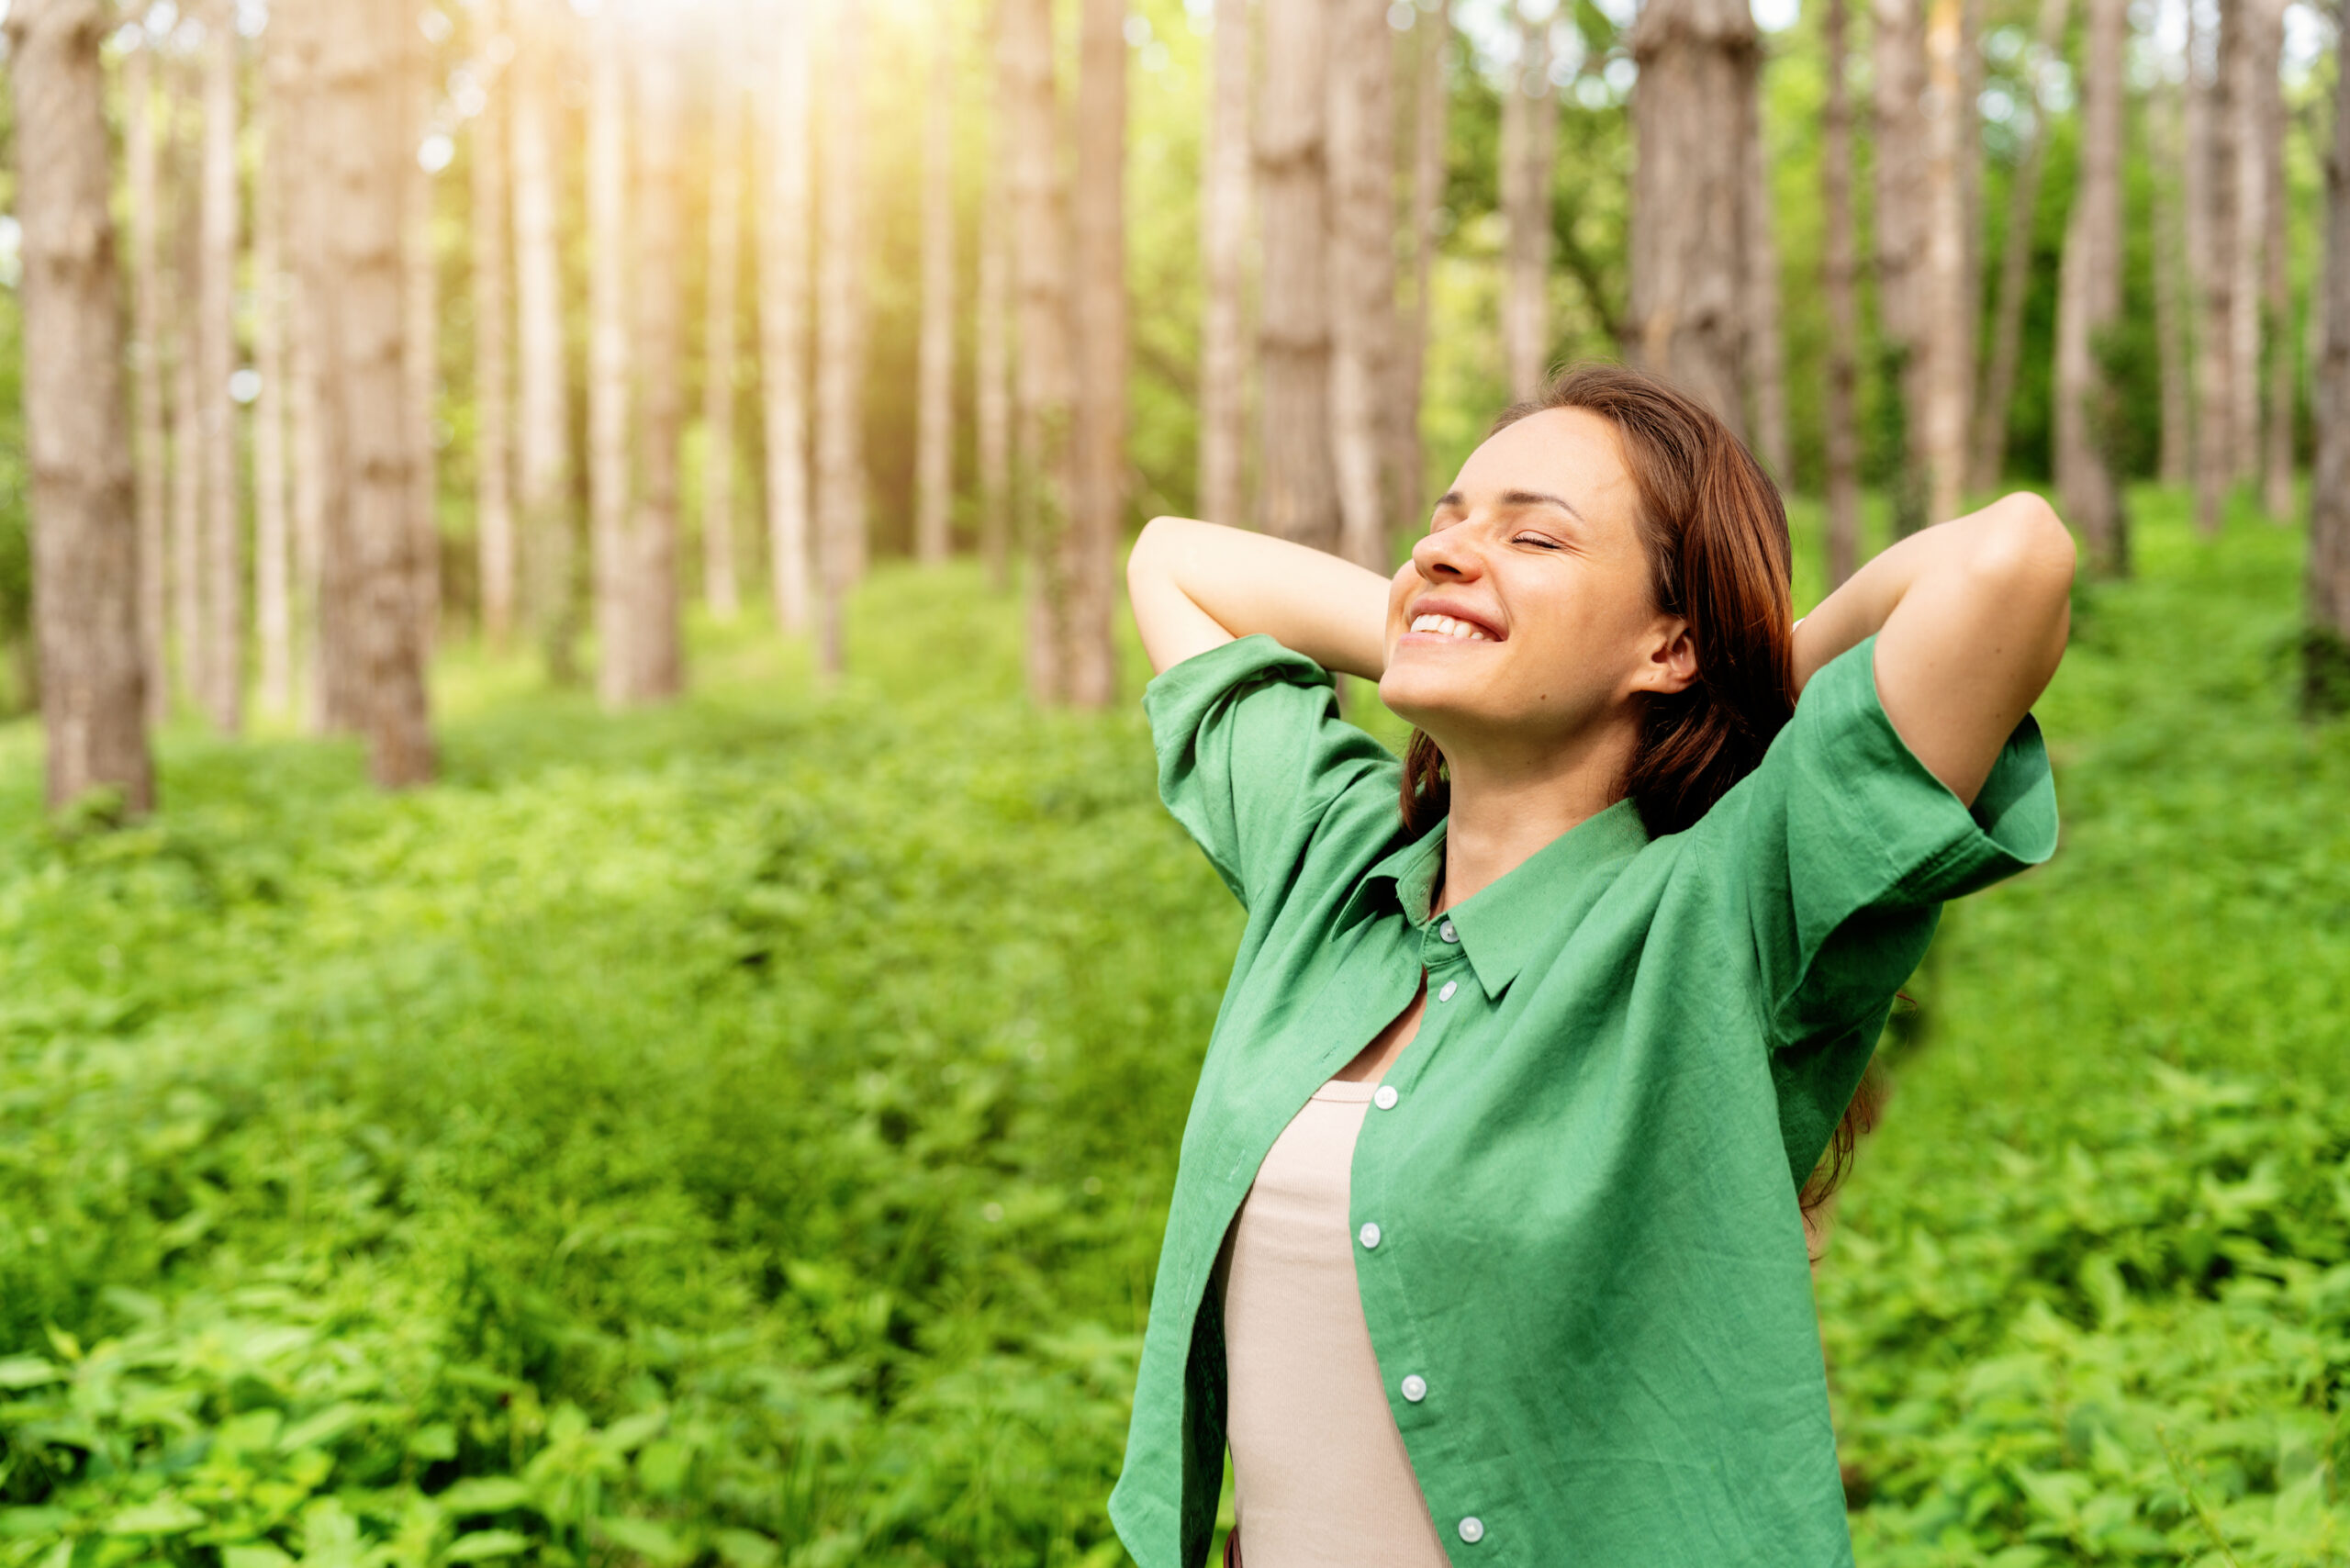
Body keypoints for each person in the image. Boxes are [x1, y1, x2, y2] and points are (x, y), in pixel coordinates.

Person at [1108, 364, 2071, 1568]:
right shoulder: (1333, 864)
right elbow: (1174, 561)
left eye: (1535, 534)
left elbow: (2013, 561)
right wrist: (1443, 616)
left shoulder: (1726, 912)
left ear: (1669, 642)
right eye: (1448, 522)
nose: (1450, 548)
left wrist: (1736, 664)